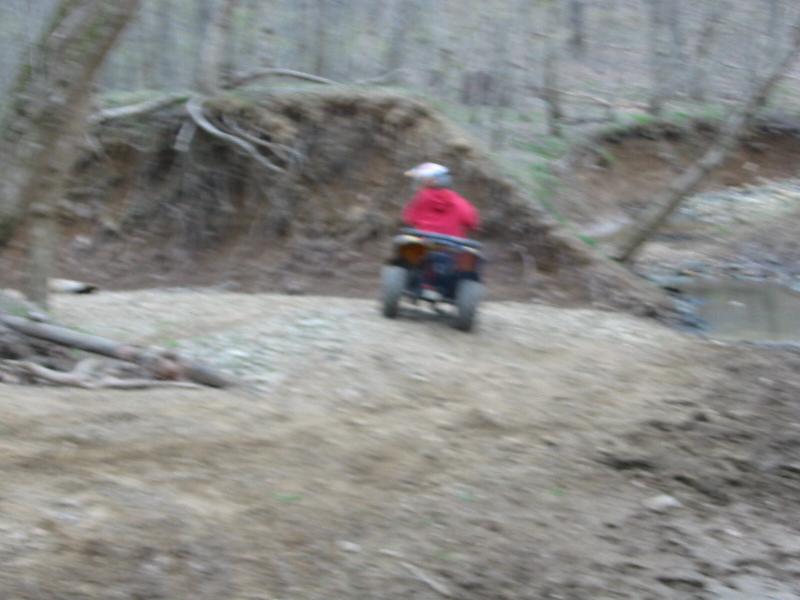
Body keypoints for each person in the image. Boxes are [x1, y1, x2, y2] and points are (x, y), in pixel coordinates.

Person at [402, 163, 479, 238]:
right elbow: (472, 223)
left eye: (423, 180)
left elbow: (409, 219)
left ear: (430, 181)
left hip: (424, 242)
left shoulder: (421, 199)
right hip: (450, 244)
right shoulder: (460, 202)